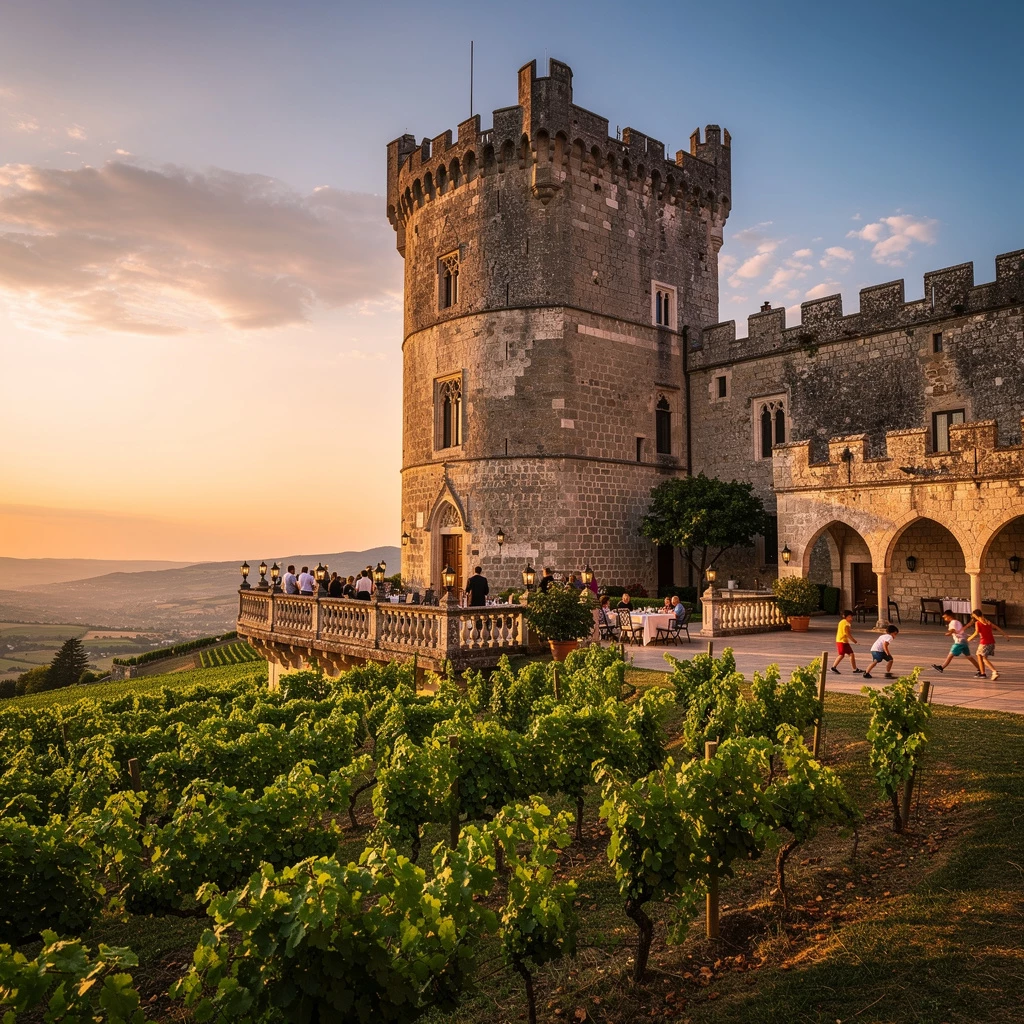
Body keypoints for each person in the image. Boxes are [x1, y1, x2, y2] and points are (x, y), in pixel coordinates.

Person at [933, 611, 982, 676]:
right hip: (964, 641)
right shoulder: (957, 622)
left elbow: (952, 630)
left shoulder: (952, 623)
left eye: (945, 617)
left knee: (950, 655)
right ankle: (980, 669)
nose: (945, 619)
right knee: (969, 657)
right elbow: (960, 629)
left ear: (949, 616)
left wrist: (949, 633)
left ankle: (942, 667)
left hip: (959, 642)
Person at [968, 609, 1009, 681]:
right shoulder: (988, 622)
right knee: (979, 655)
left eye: (974, 616)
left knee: (983, 658)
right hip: (991, 642)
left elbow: (976, 632)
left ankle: (994, 671)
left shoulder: (977, 623)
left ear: (976, 616)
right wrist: (1005, 635)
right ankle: (982, 673)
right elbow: (996, 627)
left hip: (984, 643)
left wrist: (969, 638)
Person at [831, 610, 862, 674]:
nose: (851, 619)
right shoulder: (846, 623)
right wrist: (854, 641)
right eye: (849, 617)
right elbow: (848, 634)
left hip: (841, 641)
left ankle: (854, 669)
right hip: (842, 641)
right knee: (843, 655)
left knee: (849, 654)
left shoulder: (841, 622)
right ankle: (834, 667)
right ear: (845, 617)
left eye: (851, 617)